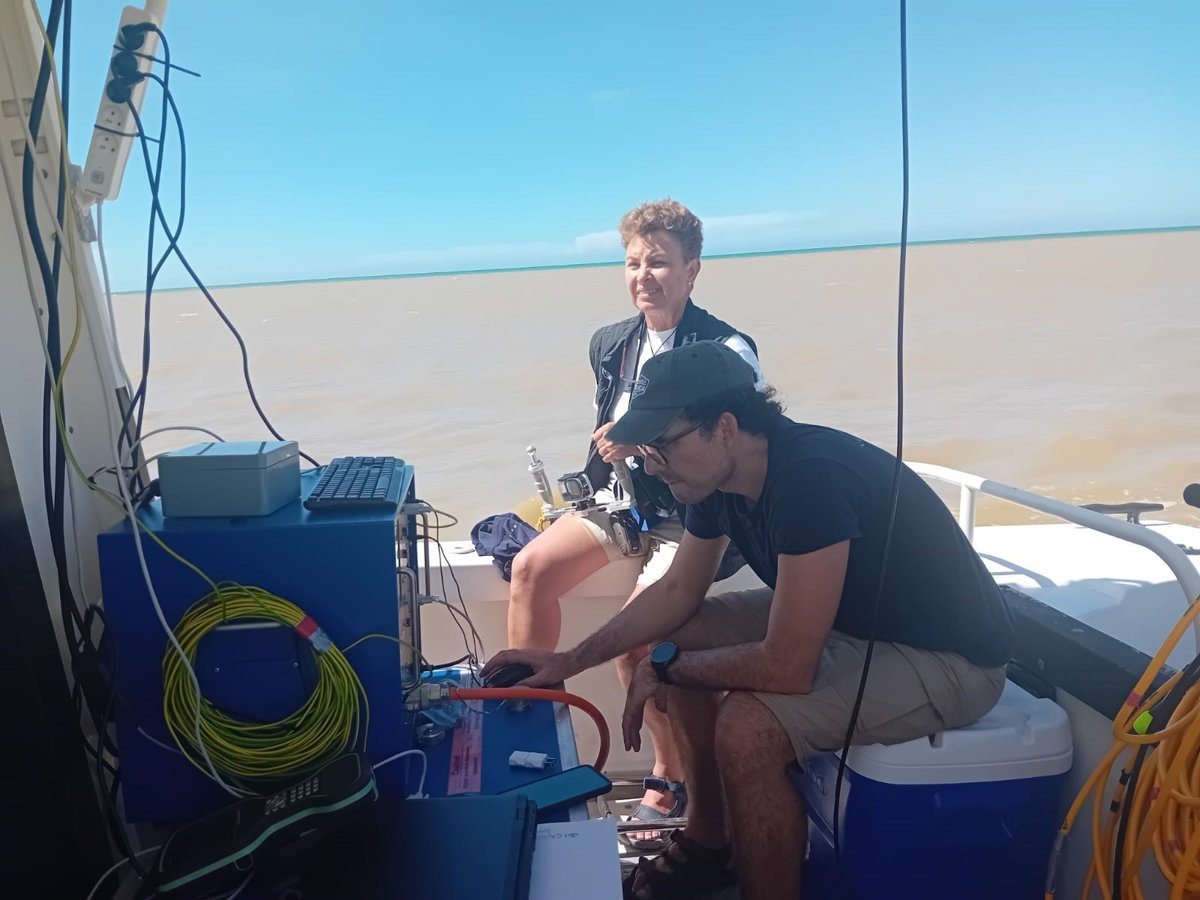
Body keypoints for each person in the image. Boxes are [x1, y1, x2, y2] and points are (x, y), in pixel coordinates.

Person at [485, 340, 1014, 900]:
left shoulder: (808, 480)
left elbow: (788, 666)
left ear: (725, 428)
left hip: (948, 658)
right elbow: (678, 590)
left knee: (746, 728)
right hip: (856, 620)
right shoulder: (715, 479)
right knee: (676, 634)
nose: (649, 464)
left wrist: (667, 670)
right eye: (644, 449)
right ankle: (709, 841)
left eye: (661, 445)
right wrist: (568, 660)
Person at [506, 199, 762, 843]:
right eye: (632, 263)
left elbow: (731, 446)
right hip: (624, 504)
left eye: (659, 262)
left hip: (692, 518)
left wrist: (640, 442)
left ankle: (668, 773)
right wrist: (581, 494)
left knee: (635, 643)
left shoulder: (727, 351)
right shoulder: (611, 343)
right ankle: (529, 730)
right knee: (531, 569)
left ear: (692, 269)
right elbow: (603, 435)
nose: (644, 275)